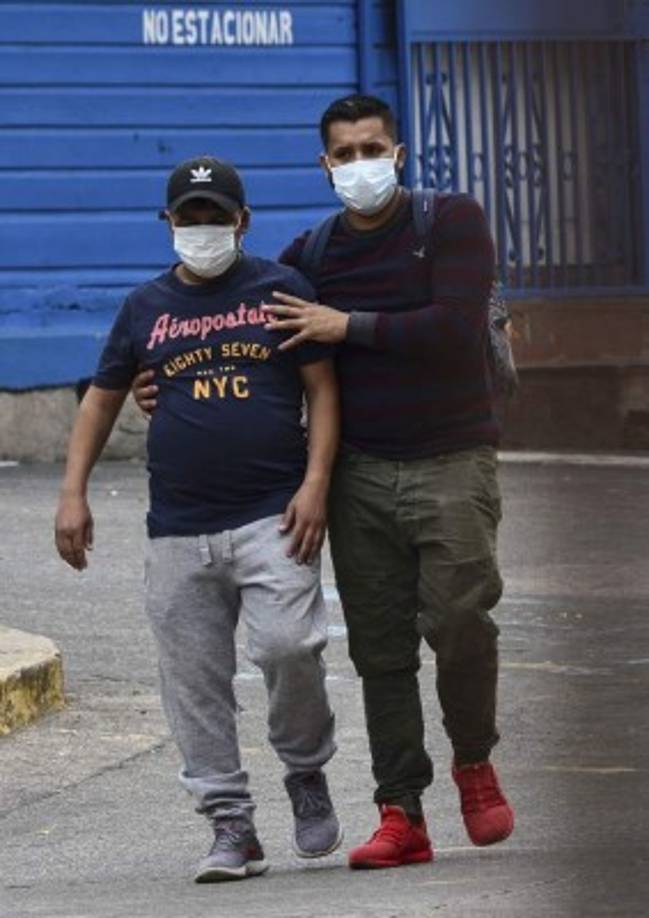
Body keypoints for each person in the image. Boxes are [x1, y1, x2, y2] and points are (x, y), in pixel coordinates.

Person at [134, 95, 515, 871]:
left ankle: (473, 762)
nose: (357, 165)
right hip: (359, 472)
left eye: (370, 148)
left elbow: (453, 328)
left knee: (459, 622)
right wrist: (160, 381)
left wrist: (350, 327)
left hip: (451, 459)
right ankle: (400, 810)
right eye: (342, 155)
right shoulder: (315, 255)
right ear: (324, 165)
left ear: (398, 154)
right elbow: (243, 326)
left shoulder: (450, 222)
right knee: (380, 651)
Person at [54, 156, 342, 883]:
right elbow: (101, 398)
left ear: (242, 222)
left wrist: (315, 484)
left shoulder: (279, 288)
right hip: (177, 526)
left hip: (272, 515)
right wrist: (72, 492)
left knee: (288, 648)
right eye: (190, 216)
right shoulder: (145, 307)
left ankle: (305, 771)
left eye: (217, 216)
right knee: (193, 681)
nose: (203, 229)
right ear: (169, 223)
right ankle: (229, 824)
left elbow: (322, 388)